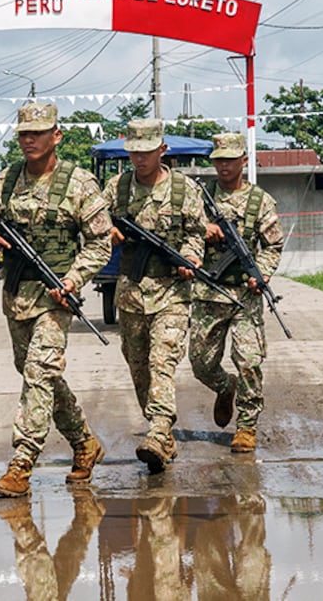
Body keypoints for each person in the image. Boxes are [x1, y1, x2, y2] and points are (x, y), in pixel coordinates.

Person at [0, 102, 112, 498]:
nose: (29, 139)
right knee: (37, 373)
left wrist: (74, 278)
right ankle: (85, 443)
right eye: (23, 133)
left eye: (38, 132)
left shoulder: (79, 183)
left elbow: (100, 241)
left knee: (39, 372)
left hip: (56, 296)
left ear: (57, 135)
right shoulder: (7, 179)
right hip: (17, 294)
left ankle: (22, 464)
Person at [106, 118, 206, 474]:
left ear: (162, 150)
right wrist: (110, 234)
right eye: (133, 152)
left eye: (147, 152)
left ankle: (158, 430)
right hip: (131, 292)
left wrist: (192, 256)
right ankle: (164, 438)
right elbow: (95, 225)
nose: (139, 159)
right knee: (138, 368)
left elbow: (197, 232)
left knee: (162, 362)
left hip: (172, 293)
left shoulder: (184, 190)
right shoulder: (116, 188)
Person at [188, 133, 284, 453]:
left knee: (248, 362)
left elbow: (272, 245)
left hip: (245, 294)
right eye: (219, 160)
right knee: (200, 362)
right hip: (208, 292)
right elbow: (181, 229)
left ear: (243, 160)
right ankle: (224, 386)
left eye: (230, 159)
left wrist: (263, 273)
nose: (224, 166)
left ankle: (246, 426)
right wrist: (203, 229)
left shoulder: (260, 201)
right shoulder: (200, 198)